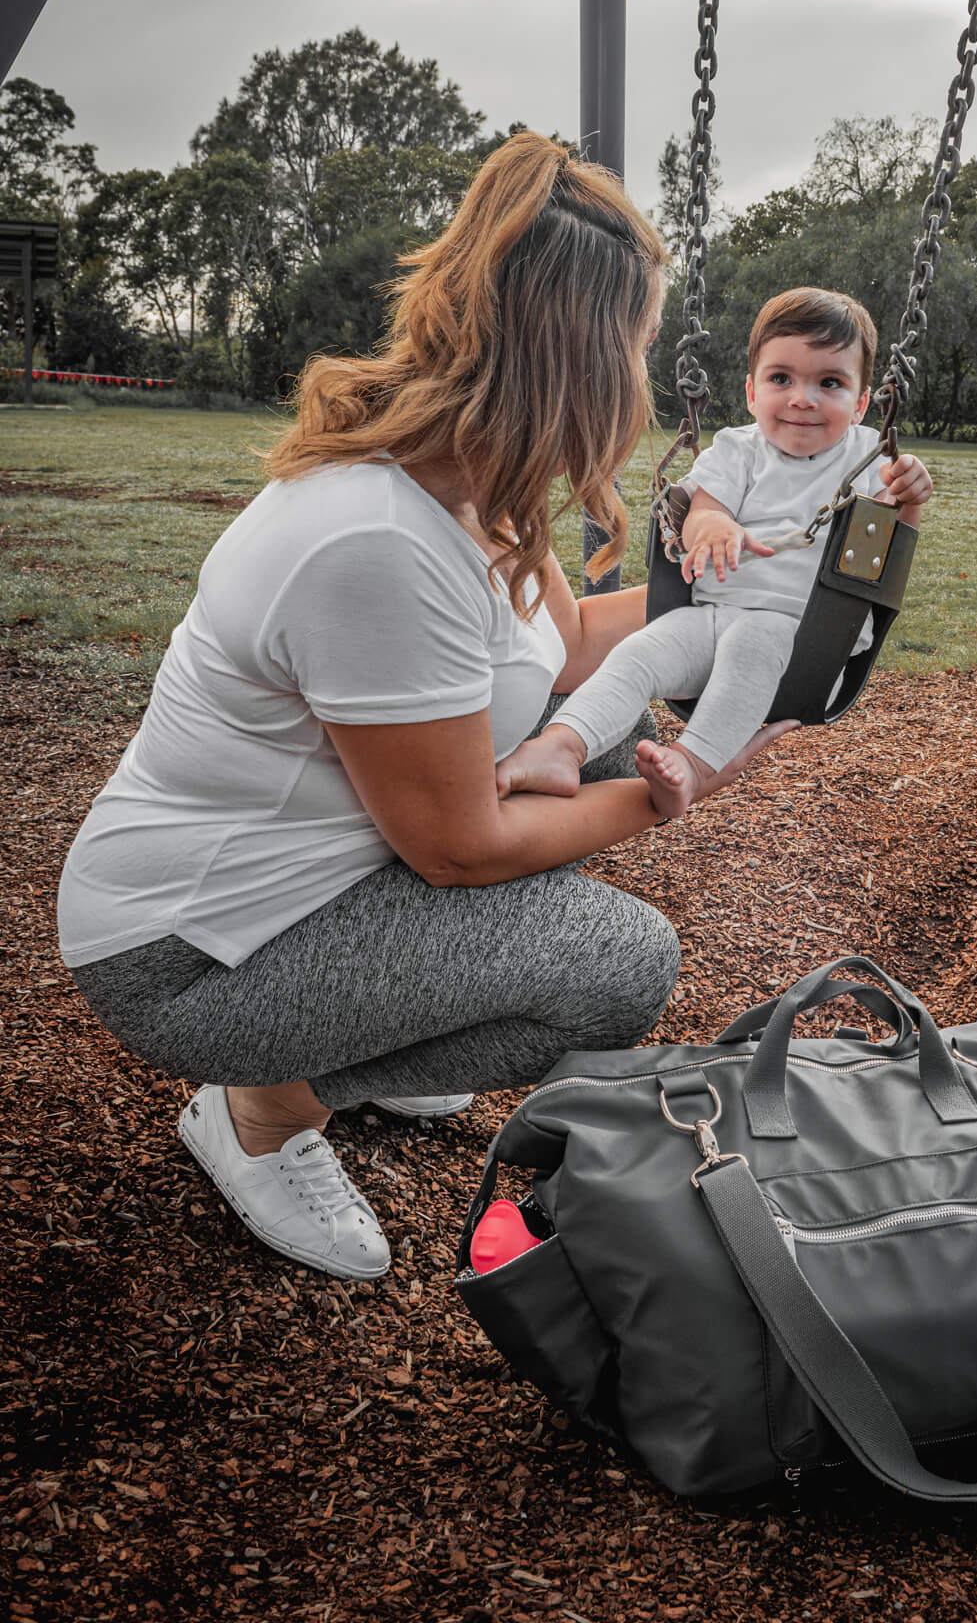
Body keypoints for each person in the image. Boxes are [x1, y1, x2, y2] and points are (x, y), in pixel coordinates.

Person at [56, 134, 790, 1282]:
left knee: (600, 740)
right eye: (640, 349)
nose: (643, 387)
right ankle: (260, 1106)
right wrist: (688, 781)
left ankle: (358, 1024)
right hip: (186, 950)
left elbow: (562, 652)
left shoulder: (470, 484)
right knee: (617, 965)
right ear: (582, 359)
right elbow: (460, 850)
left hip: (310, 881)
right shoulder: (375, 540)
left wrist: (770, 606)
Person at [498, 287, 933, 818]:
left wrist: (908, 495)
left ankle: (694, 765)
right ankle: (561, 746)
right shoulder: (737, 449)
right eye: (781, 379)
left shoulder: (870, 456)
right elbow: (702, 510)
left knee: (753, 638)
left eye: (830, 383)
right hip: (711, 619)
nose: (802, 398)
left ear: (861, 402)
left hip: (807, 644)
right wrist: (716, 527)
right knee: (639, 652)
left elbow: (890, 541)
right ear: (752, 392)